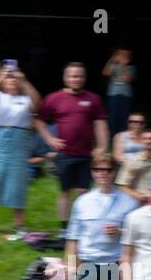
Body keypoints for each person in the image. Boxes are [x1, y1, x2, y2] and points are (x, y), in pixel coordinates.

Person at [35, 62, 109, 239]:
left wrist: (102, 147)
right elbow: (39, 121)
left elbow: (100, 124)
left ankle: (82, 225)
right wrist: (50, 139)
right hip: (65, 154)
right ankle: (64, 228)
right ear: (65, 77)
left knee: (84, 193)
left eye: (79, 76)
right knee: (65, 192)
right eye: (72, 76)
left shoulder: (93, 99)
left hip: (86, 154)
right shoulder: (54, 98)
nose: (76, 79)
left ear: (84, 78)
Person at [0, 65, 40, 240]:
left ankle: (19, 227)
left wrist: (24, 80)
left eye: (14, 78)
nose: (12, 80)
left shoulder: (25, 99)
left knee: (16, 184)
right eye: (8, 78)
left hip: (19, 142)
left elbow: (37, 104)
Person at [116, 128, 151, 202]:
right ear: (141, 141)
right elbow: (122, 185)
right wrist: (135, 195)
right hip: (134, 200)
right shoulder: (131, 161)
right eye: (147, 139)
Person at [102, 49, 135, 137]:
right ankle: (112, 135)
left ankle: (122, 136)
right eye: (121, 54)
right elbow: (105, 73)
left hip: (126, 95)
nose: (123, 56)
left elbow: (129, 79)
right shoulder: (113, 66)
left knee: (124, 116)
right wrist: (111, 60)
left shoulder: (131, 67)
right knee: (113, 116)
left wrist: (124, 65)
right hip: (113, 94)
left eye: (125, 55)